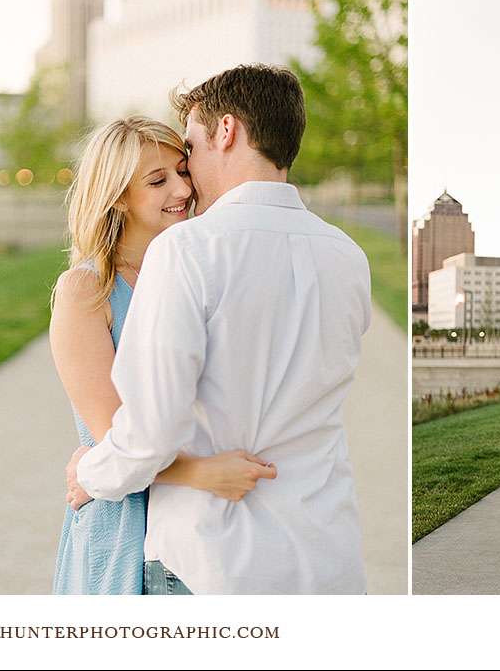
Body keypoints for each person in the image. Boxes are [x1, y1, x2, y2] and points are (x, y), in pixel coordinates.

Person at [66, 64, 372, 594]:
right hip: (327, 556)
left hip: (214, 560)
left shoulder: (187, 250)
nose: (187, 179)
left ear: (226, 131)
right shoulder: (348, 255)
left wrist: (88, 473)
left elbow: (150, 432)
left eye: (190, 149)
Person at [50, 117, 274, 595]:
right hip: (125, 515)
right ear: (116, 197)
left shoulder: (200, 271)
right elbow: (115, 437)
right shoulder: (86, 291)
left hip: (209, 520)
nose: (183, 188)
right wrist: (205, 472)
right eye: (158, 180)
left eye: (183, 170)